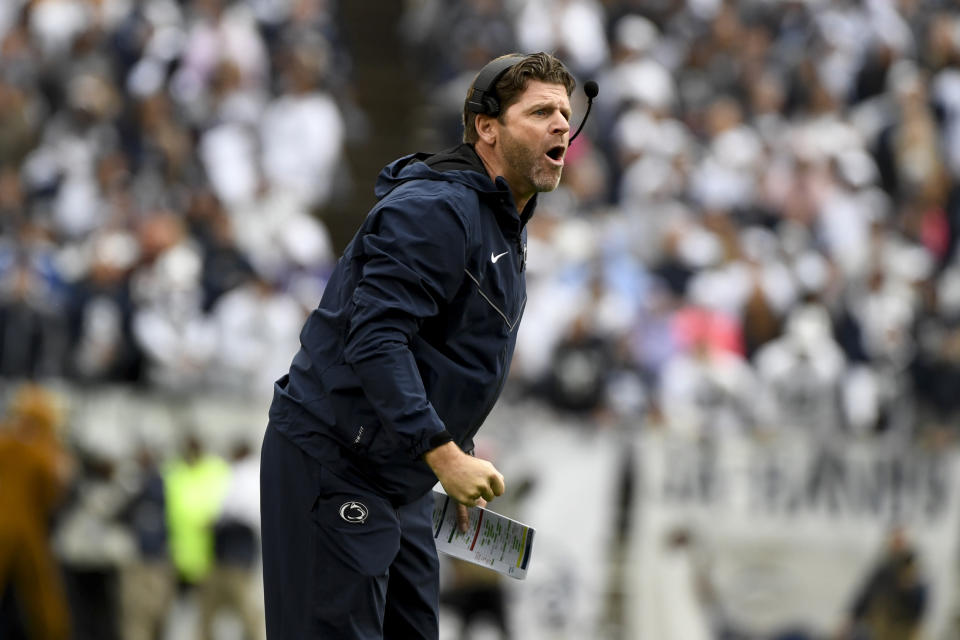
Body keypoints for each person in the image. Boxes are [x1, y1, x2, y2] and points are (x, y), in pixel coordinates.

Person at [260, 51, 577, 639]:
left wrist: (453, 446)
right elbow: (376, 339)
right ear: (487, 127)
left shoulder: (499, 221)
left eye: (565, 111)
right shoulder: (436, 209)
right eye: (540, 111)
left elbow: (444, 353)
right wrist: (443, 452)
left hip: (398, 473)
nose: (562, 123)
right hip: (336, 461)